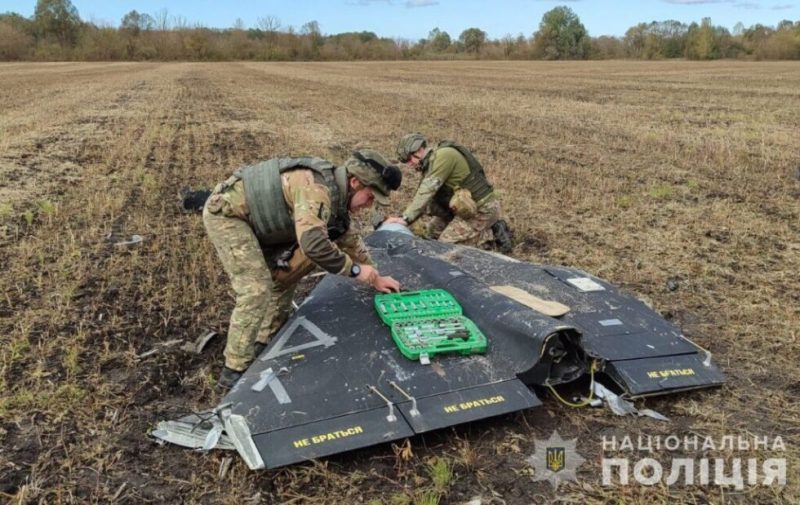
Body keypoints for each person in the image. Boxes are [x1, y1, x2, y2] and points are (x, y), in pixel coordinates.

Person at [204, 149, 402, 390]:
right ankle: (235, 367)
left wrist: (376, 276)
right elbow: (314, 244)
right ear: (355, 182)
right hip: (230, 216)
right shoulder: (316, 189)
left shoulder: (337, 198)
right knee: (256, 287)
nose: (368, 205)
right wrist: (356, 271)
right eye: (370, 197)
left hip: (266, 226)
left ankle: (263, 340)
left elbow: (347, 240)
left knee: (287, 273)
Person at [386, 133, 513, 252]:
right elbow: (425, 202)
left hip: (482, 208)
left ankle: (491, 236)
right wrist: (402, 219)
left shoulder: (443, 156)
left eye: (409, 159)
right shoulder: (431, 165)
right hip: (463, 209)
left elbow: (426, 191)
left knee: (445, 247)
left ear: (419, 150)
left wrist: (406, 218)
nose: (409, 165)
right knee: (431, 235)